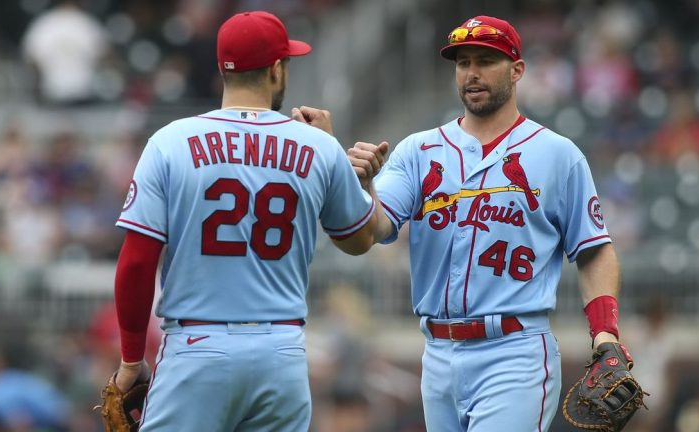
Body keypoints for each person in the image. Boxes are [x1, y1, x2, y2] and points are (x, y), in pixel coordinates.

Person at [346, 15, 629, 431]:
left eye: (485, 60)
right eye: (463, 62)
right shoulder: (418, 150)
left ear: (517, 71)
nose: (472, 73)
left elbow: (594, 250)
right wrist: (363, 188)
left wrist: (605, 333)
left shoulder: (556, 154)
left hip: (513, 351)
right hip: (437, 353)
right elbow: (374, 229)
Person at [109, 11, 383, 431]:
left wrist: (131, 359)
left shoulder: (170, 141)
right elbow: (359, 240)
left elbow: (137, 262)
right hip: (281, 352)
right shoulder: (319, 147)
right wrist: (343, 163)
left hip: (197, 348)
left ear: (222, 68)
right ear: (277, 69)